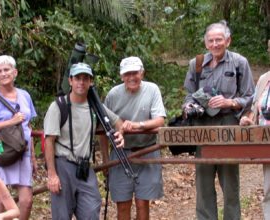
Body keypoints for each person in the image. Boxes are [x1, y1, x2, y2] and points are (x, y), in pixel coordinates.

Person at [182, 20, 254, 219]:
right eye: (211, 40)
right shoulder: (196, 64)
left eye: (219, 40)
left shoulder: (239, 62)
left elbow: (250, 97)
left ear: (228, 41)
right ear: (206, 43)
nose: (215, 44)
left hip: (228, 125)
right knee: (203, 184)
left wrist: (229, 103)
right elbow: (188, 95)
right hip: (202, 127)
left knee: (230, 183)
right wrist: (189, 106)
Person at [43, 62, 124, 219]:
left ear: (90, 82)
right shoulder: (58, 106)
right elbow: (49, 141)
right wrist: (52, 175)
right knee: (62, 215)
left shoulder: (95, 106)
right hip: (63, 165)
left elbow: (117, 122)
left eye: (85, 78)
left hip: (85, 167)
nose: (81, 82)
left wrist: (120, 133)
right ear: (70, 81)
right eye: (77, 78)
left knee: (91, 210)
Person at [100, 56, 166, 220]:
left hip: (147, 150)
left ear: (142, 73)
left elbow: (160, 120)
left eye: (135, 73)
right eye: (127, 74)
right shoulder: (113, 94)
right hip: (121, 153)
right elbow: (102, 127)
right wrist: (106, 159)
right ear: (122, 76)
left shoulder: (152, 89)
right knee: (122, 204)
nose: (131, 77)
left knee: (143, 203)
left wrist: (137, 125)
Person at [0, 55, 37, 220]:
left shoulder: (25, 95)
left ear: (15, 72)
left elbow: (28, 127)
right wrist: (9, 122)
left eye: (6, 69)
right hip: (0, 148)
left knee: (26, 199)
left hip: (22, 150)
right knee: (0, 197)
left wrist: (32, 155)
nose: (3, 73)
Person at [239, 44, 270, 220]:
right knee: (269, 191)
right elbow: (255, 107)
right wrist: (249, 119)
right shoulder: (265, 79)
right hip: (266, 144)